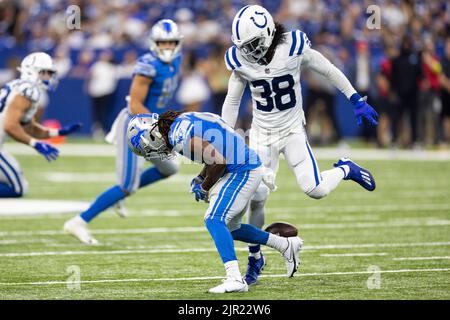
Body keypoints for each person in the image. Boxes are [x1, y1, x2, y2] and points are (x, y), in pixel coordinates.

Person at [220, 5, 378, 285]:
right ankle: (255, 256)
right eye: (244, 46)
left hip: (292, 130)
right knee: (254, 197)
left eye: (253, 44)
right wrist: (221, 134)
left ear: (268, 33)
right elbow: (233, 101)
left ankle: (345, 169)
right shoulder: (240, 60)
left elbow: (327, 69)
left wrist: (355, 98)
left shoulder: (293, 46)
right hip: (261, 135)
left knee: (315, 189)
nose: (248, 51)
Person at [126, 110, 303, 294]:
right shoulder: (182, 120)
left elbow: (218, 161)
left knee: (214, 219)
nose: (154, 152)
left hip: (242, 170)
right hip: (242, 166)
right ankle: (285, 245)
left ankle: (235, 278)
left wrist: (204, 187)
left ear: (152, 137)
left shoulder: (178, 135)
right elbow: (214, 150)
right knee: (231, 228)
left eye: (148, 149)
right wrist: (201, 177)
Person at [63, 20, 183, 244]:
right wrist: (159, 128)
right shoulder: (147, 65)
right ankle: (78, 221)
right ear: (154, 43)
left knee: (170, 168)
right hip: (136, 127)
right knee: (126, 185)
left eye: (171, 42)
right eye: (162, 42)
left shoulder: (177, 59)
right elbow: (136, 104)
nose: (167, 46)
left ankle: (119, 195)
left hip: (153, 125)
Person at [0, 52, 81, 198]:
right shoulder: (28, 91)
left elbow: (29, 128)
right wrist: (35, 144)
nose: (49, 77)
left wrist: (58, 133)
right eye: (45, 72)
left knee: (18, 185)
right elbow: (10, 126)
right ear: (33, 71)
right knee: (17, 188)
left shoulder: (20, 86)